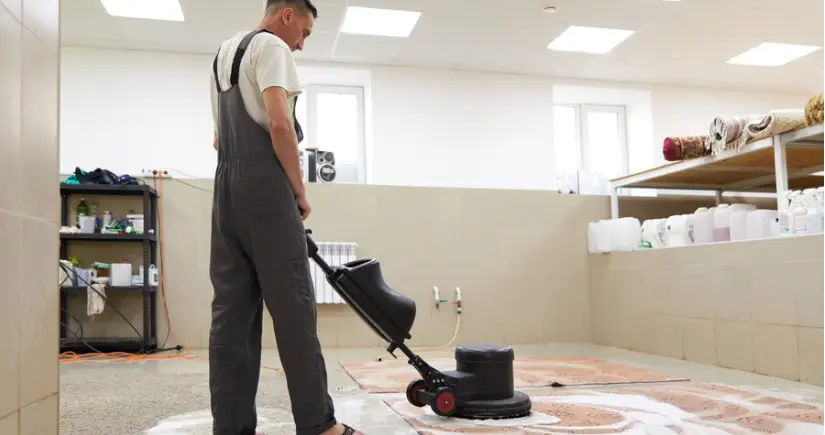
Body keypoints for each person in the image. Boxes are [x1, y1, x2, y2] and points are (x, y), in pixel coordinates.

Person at [208, 1, 363, 434]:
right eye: (305, 33)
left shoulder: (222, 53)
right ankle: (320, 426)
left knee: (231, 317)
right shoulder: (272, 47)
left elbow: (219, 140)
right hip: (265, 189)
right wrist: (298, 188)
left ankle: (231, 427)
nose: (301, 44)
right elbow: (279, 124)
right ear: (288, 14)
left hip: (226, 192)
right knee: (294, 312)